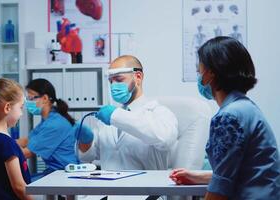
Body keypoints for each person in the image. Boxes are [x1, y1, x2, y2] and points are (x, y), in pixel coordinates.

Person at [170, 36, 280, 199]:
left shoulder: (228, 117)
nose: (199, 75)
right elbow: (242, 171)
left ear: (210, 74)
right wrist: (198, 177)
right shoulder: (246, 108)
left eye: (199, 70)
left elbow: (220, 189)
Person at [77, 55, 178, 199]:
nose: (113, 86)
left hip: (145, 195)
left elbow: (165, 138)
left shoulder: (159, 113)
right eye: (110, 81)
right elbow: (89, 156)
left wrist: (116, 116)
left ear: (138, 77)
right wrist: (85, 141)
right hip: (108, 194)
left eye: (118, 80)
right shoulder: (108, 118)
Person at [16, 78, 79, 178]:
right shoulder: (48, 119)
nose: (28, 103)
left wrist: (2, 149)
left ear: (45, 98)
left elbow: (27, 153)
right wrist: (3, 142)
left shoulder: (54, 124)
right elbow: (27, 140)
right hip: (55, 171)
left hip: (65, 174)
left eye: (31, 98)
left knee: (21, 185)